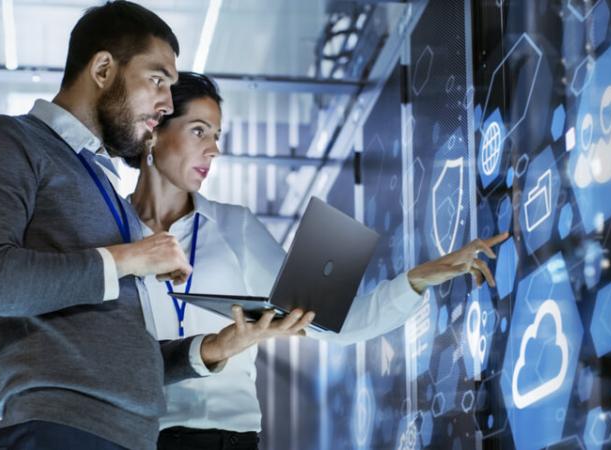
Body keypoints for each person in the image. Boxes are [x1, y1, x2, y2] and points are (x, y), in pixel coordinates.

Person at [0, 3, 311, 450]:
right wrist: (131, 257)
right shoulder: (9, 140)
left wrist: (214, 348)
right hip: (60, 430)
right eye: (157, 80)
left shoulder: (102, 183)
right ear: (103, 68)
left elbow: (122, 356)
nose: (164, 104)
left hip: (131, 437)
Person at [126, 72, 510, 450]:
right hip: (136, 439)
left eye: (216, 136)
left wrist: (417, 279)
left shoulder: (234, 226)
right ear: (155, 129)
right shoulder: (112, 237)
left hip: (230, 440)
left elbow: (336, 324)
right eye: (199, 131)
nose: (213, 149)